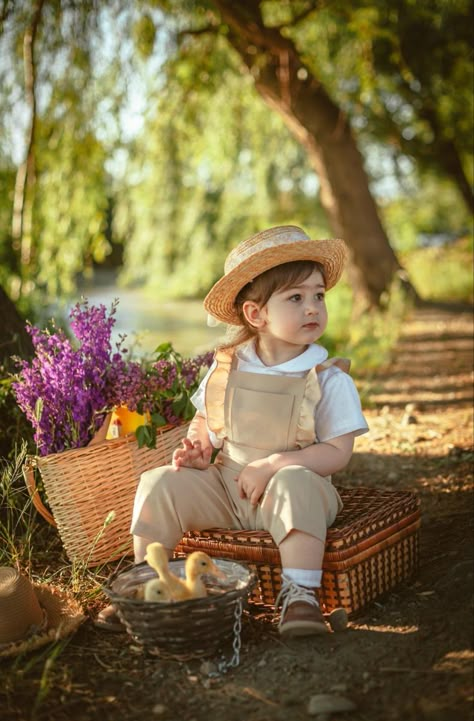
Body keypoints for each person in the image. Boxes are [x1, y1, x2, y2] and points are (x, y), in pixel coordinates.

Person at [97, 225, 368, 636]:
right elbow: (207, 419)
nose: (312, 307)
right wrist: (199, 448)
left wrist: (277, 463)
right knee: (158, 484)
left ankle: (300, 597)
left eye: (318, 296)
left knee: (296, 484)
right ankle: (147, 586)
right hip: (226, 484)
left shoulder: (325, 376)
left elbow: (336, 452)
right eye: (296, 298)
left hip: (292, 488)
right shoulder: (228, 366)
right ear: (256, 314)